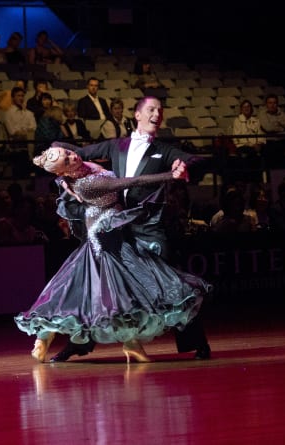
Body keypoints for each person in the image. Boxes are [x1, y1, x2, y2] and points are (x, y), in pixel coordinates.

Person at [49, 96, 212, 362]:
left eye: (160, 110)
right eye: (151, 109)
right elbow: (62, 149)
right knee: (94, 286)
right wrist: (61, 175)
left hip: (147, 228)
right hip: (113, 229)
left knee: (172, 285)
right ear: (137, 115)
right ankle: (80, 343)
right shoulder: (116, 145)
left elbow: (195, 159)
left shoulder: (164, 150)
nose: (157, 114)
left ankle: (195, 342)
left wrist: (183, 166)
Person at [14, 146, 211, 363]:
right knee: (105, 295)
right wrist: (170, 176)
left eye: (68, 153)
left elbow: (57, 145)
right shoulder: (89, 184)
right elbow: (132, 182)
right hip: (105, 238)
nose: (73, 156)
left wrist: (61, 177)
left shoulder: (79, 169)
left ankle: (48, 340)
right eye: (67, 161)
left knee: (80, 292)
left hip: (111, 230)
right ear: (64, 172)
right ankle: (123, 343)